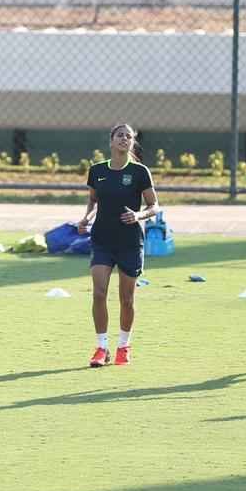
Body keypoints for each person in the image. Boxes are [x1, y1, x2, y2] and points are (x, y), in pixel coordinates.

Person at [74, 123, 159, 368]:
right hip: (102, 239)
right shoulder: (97, 171)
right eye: (120, 135)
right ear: (111, 141)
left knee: (127, 299)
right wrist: (86, 218)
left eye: (128, 136)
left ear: (133, 143)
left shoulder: (141, 172)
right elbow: (93, 201)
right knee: (99, 293)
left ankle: (124, 345)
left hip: (129, 242)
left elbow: (154, 206)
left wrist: (139, 215)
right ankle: (101, 348)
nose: (124, 139)